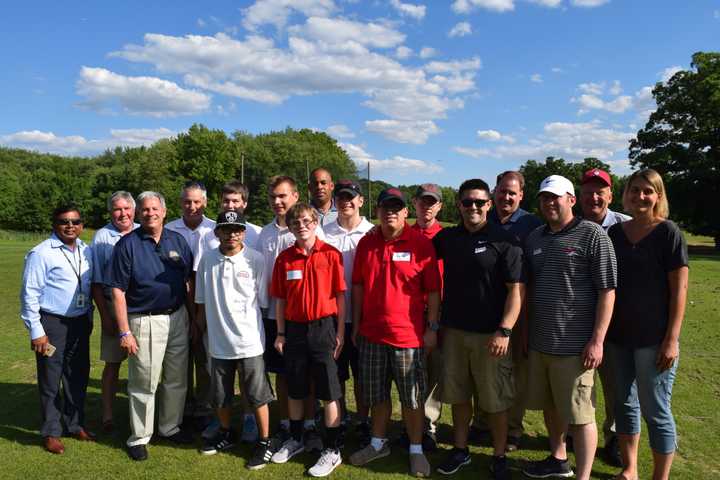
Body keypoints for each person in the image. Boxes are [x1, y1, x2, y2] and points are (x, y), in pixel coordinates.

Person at [522, 175, 616, 480]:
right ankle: (559, 458)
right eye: (544, 198)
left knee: (580, 415)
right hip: (541, 342)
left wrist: (597, 340)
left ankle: (583, 476)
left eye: (556, 197)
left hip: (575, 347)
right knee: (551, 408)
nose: (550, 203)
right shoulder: (535, 237)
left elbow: (607, 290)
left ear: (571, 200)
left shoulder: (593, 235)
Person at [433, 179, 524, 479]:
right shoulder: (447, 238)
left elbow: (516, 291)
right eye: (467, 202)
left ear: (489, 205)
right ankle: (460, 450)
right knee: (458, 396)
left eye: (479, 202)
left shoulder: (505, 240)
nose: (473, 207)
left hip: (491, 335)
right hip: (455, 332)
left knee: (495, 401)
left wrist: (505, 330)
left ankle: (499, 456)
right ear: (458, 205)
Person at [349, 187, 441, 478]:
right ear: (376, 211)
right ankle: (378, 443)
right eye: (385, 207)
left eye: (396, 207)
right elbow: (359, 286)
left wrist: (432, 328)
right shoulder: (367, 243)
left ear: (405, 212)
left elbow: (434, 291)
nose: (390, 212)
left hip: (408, 337)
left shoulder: (420, 243)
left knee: (412, 398)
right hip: (372, 334)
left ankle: (416, 449)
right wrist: (357, 323)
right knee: (377, 395)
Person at [606, 169, 688, 480]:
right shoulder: (615, 234)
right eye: (635, 190)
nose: (641, 196)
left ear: (658, 196)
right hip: (618, 336)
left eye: (648, 191)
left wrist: (672, 339)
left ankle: (660, 477)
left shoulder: (668, 233)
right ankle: (630, 470)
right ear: (626, 194)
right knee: (624, 406)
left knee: (655, 409)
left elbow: (679, 290)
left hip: (654, 339)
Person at [109, 191, 195, 461]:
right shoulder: (127, 245)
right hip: (144, 320)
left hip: (178, 316)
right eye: (145, 209)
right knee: (144, 381)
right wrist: (125, 331)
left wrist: (193, 320)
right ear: (139, 213)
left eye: (154, 208)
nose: (150, 213)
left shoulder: (177, 240)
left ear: (164, 211)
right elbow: (117, 291)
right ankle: (139, 436)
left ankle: (169, 427)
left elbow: (188, 284)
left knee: (176, 378)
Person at [270, 203, 346, 477]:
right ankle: (297, 438)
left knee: (328, 390)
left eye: (305, 220)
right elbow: (280, 299)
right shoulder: (285, 258)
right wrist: (280, 332)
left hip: (324, 328)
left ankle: (332, 449)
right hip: (294, 330)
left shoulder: (331, 255)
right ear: (289, 227)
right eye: (295, 222)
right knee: (296, 388)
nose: (301, 225)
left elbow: (340, 296)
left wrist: (340, 332)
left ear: (315, 222)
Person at [195, 210, 275, 470]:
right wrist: (200, 330)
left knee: (257, 395)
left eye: (237, 229)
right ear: (217, 232)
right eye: (226, 229)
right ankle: (227, 433)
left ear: (244, 232)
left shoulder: (256, 259)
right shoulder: (207, 260)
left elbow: (262, 301)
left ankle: (264, 441)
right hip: (218, 341)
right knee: (221, 395)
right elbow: (201, 300)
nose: (232, 234)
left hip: (249, 341)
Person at [257, 175, 325, 452]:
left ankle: (309, 423)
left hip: (305, 316)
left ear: (296, 196)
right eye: (273, 196)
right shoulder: (265, 233)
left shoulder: (310, 231)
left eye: (283, 196)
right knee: (282, 373)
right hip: (274, 315)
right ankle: (287, 422)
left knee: (306, 373)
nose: (277, 201)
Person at [20, 204, 95, 454]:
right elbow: (29, 294)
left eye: (75, 221)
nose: (70, 226)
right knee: (51, 379)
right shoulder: (41, 253)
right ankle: (51, 431)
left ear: (82, 225)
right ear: (55, 224)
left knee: (78, 375)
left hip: (80, 322)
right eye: (64, 221)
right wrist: (36, 331)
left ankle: (75, 424)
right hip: (52, 324)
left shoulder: (86, 250)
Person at [195, 180, 263, 442]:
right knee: (218, 378)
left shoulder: (255, 233)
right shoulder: (208, 235)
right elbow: (200, 279)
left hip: (246, 325)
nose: (231, 205)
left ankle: (248, 420)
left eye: (236, 201)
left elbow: (259, 289)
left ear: (244, 203)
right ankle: (219, 419)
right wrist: (199, 322)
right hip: (216, 321)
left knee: (249, 378)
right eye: (226, 201)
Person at [485, 170, 543, 452]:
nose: (506, 197)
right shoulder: (485, 218)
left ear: (521, 195)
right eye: (502, 191)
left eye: (512, 192)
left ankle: (513, 428)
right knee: (485, 367)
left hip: (519, 307)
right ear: (494, 191)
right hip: (485, 307)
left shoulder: (532, 225)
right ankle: (484, 423)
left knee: (515, 371)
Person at [579, 167, 631, 466]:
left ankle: (613, 438)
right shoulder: (571, 225)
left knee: (616, 387)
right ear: (579, 196)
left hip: (617, 323)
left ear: (611, 195)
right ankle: (578, 432)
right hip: (578, 321)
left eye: (600, 191)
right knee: (580, 386)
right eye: (588, 192)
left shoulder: (626, 227)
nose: (594, 197)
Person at [323, 179, 374, 447]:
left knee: (363, 375)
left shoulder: (372, 232)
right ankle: (340, 419)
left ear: (361, 201)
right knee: (337, 373)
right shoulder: (325, 231)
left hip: (365, 315)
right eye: (341, 197)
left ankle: (363, 421)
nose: (346, 202)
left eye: (351, 197)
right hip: (333, 316)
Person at [165, 181, 216, 429]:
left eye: (197, 201)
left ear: (205, 202)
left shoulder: (216, 230)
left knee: (205, 359)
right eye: (187, 201)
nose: (192, 206)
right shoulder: (168, 230)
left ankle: (205, 408)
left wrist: (200, 317)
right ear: (180, 202)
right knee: (179, 360)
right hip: (176, 305)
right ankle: (182, 407)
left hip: (208, 305)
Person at [90, 191, 138, 432]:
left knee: (144, 363)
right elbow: (96, 282)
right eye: (117, 209)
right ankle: (108, 415)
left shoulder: (143, 230)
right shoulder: (102, 237)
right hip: (112, 304)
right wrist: (106, 316)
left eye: (126, 208)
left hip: (140, 305)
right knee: (113, 363)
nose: (123, 213)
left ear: (134, 210)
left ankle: (141, 414)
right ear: (111, 212)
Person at [407, 183, 444, 451]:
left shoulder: (446, 237)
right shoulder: (403, 233)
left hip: (437, 313)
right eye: (423, 201)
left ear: (440, 206)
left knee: (432, 373)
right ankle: (410, 423)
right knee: (408, 373)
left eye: (432, 202)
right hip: (408, 314)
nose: (427, 206)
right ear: (415, 203)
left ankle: (429, 426)